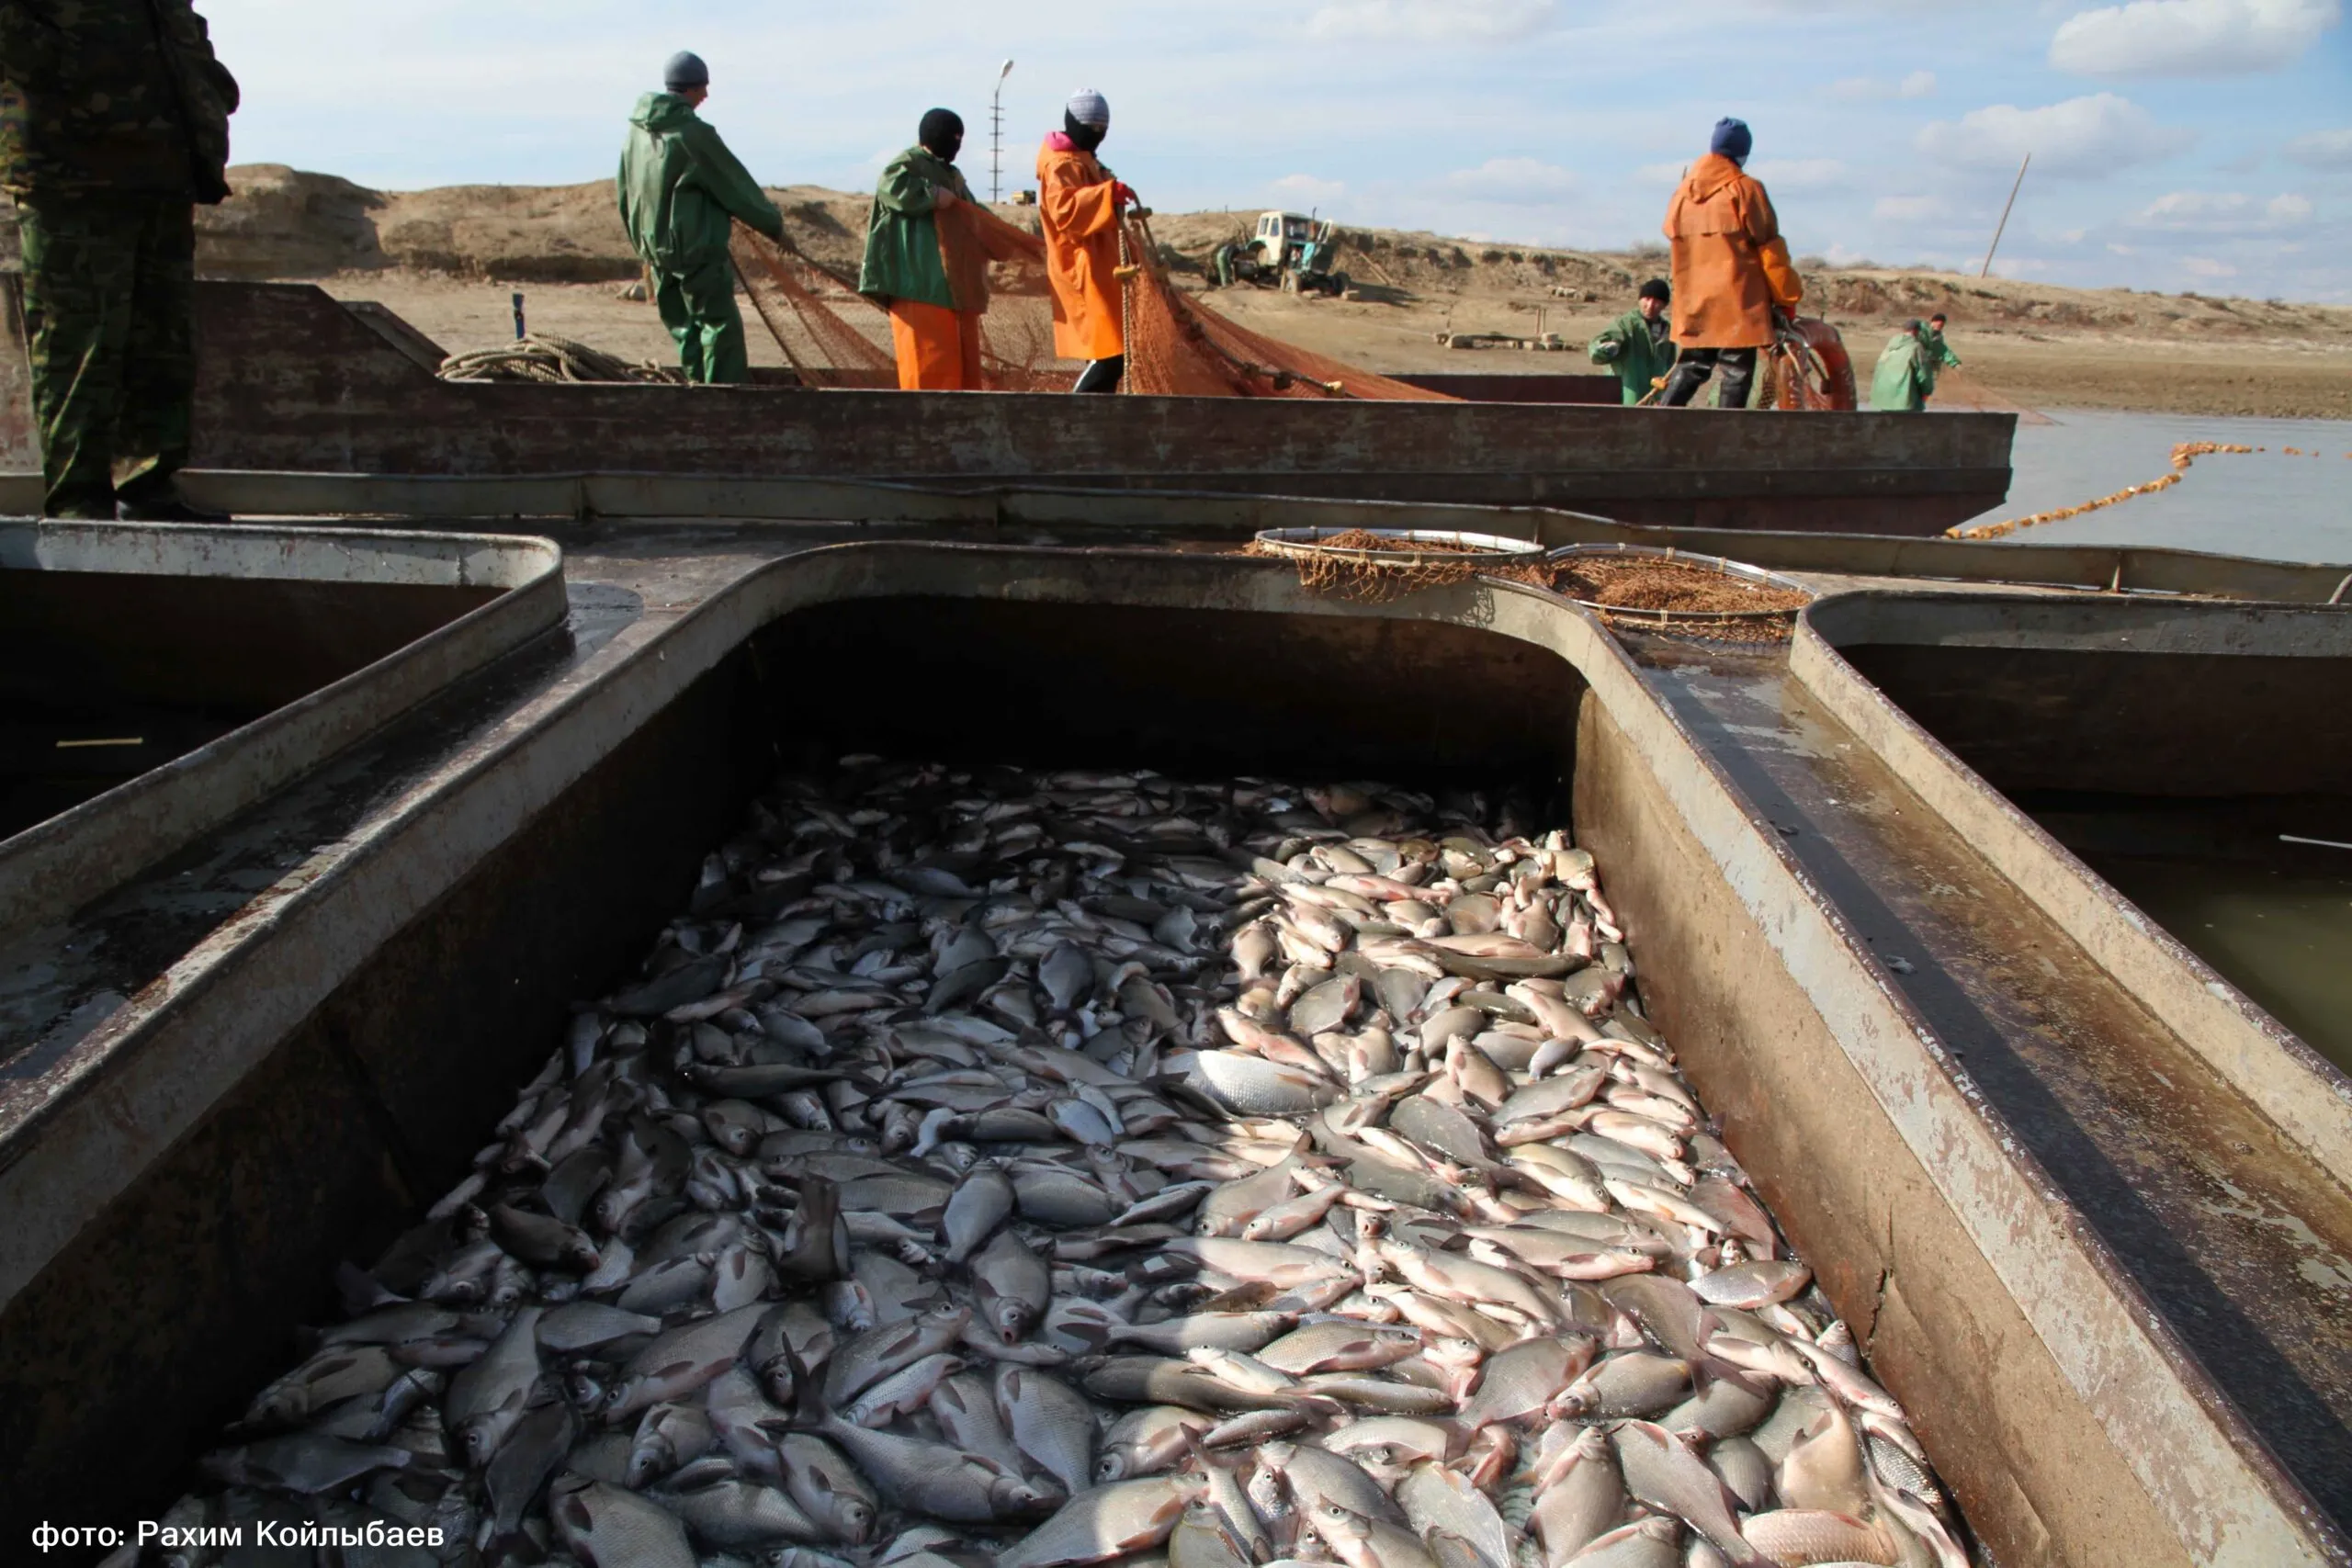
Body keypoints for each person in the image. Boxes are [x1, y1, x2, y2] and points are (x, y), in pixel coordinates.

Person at [0, 0, 240, 520]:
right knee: (80, 344)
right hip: (71, 168)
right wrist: (69, 72)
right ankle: (78, 499)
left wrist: (205, 85)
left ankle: (148, 488)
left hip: (163, 167)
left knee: (162, 343)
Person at [616, 51, 786, 385]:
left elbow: (625, 194)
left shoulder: (634, 137)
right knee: (719, 327)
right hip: (696, 251)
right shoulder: (693, 134)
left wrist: (642, 243)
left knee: (684, 330)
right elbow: (734, 184)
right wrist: (774, 226)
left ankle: (696, 397)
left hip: (656, 252)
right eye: (702, 89)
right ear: (691, 89)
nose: (706, 96)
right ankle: (724, 403)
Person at [1658, 118, 1803, 410]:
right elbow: (1769, 249)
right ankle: (1726, 439)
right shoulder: (1746, 189)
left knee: (1691, 366)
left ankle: (1657, 426)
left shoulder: (1681, 194)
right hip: (1737, 304)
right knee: (1736, 373)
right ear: (1742, 152)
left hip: (1693, 303)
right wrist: (1786, 297)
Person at [860, 109, 986, 390]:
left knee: (959, 374)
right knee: (926, 372)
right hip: (915, 286)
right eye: (951, 138)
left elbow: (975, 213)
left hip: (953, 290)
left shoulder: (952, 175)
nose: (955, 145)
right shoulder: (907, 166)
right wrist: (930, 195)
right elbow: (891, 188)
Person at [1036, 89, 1136, 394]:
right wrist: (1107, 195)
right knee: (1110, 353)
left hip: (1104, 268)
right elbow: (1065, 211)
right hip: (1083, 269)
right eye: (1091, 129)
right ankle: (1073, 413)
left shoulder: (1085, 158)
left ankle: (1094, 420)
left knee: (1114, 351)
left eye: (1101, 130)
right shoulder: (1061, 165)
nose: (1097, 135)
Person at [1588, 278, 1675, 406]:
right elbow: (1597, 351)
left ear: (1664, 305)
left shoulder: (1667, 331)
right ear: (1640, 299)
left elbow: (1671, 366)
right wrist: (1607, 348)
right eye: (1647, 299)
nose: (1650, 305)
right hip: (1627, 399)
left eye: (1656, 301)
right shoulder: (1625, 325)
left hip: (1657, 400)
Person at [1870, 314, 1962, 412]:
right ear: (1916, 332)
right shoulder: (1917, 347)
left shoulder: (1890, 346)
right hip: (1906, 400)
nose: (1938, 328)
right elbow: (1925, 376)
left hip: (1881, 399)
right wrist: (1927, 390)